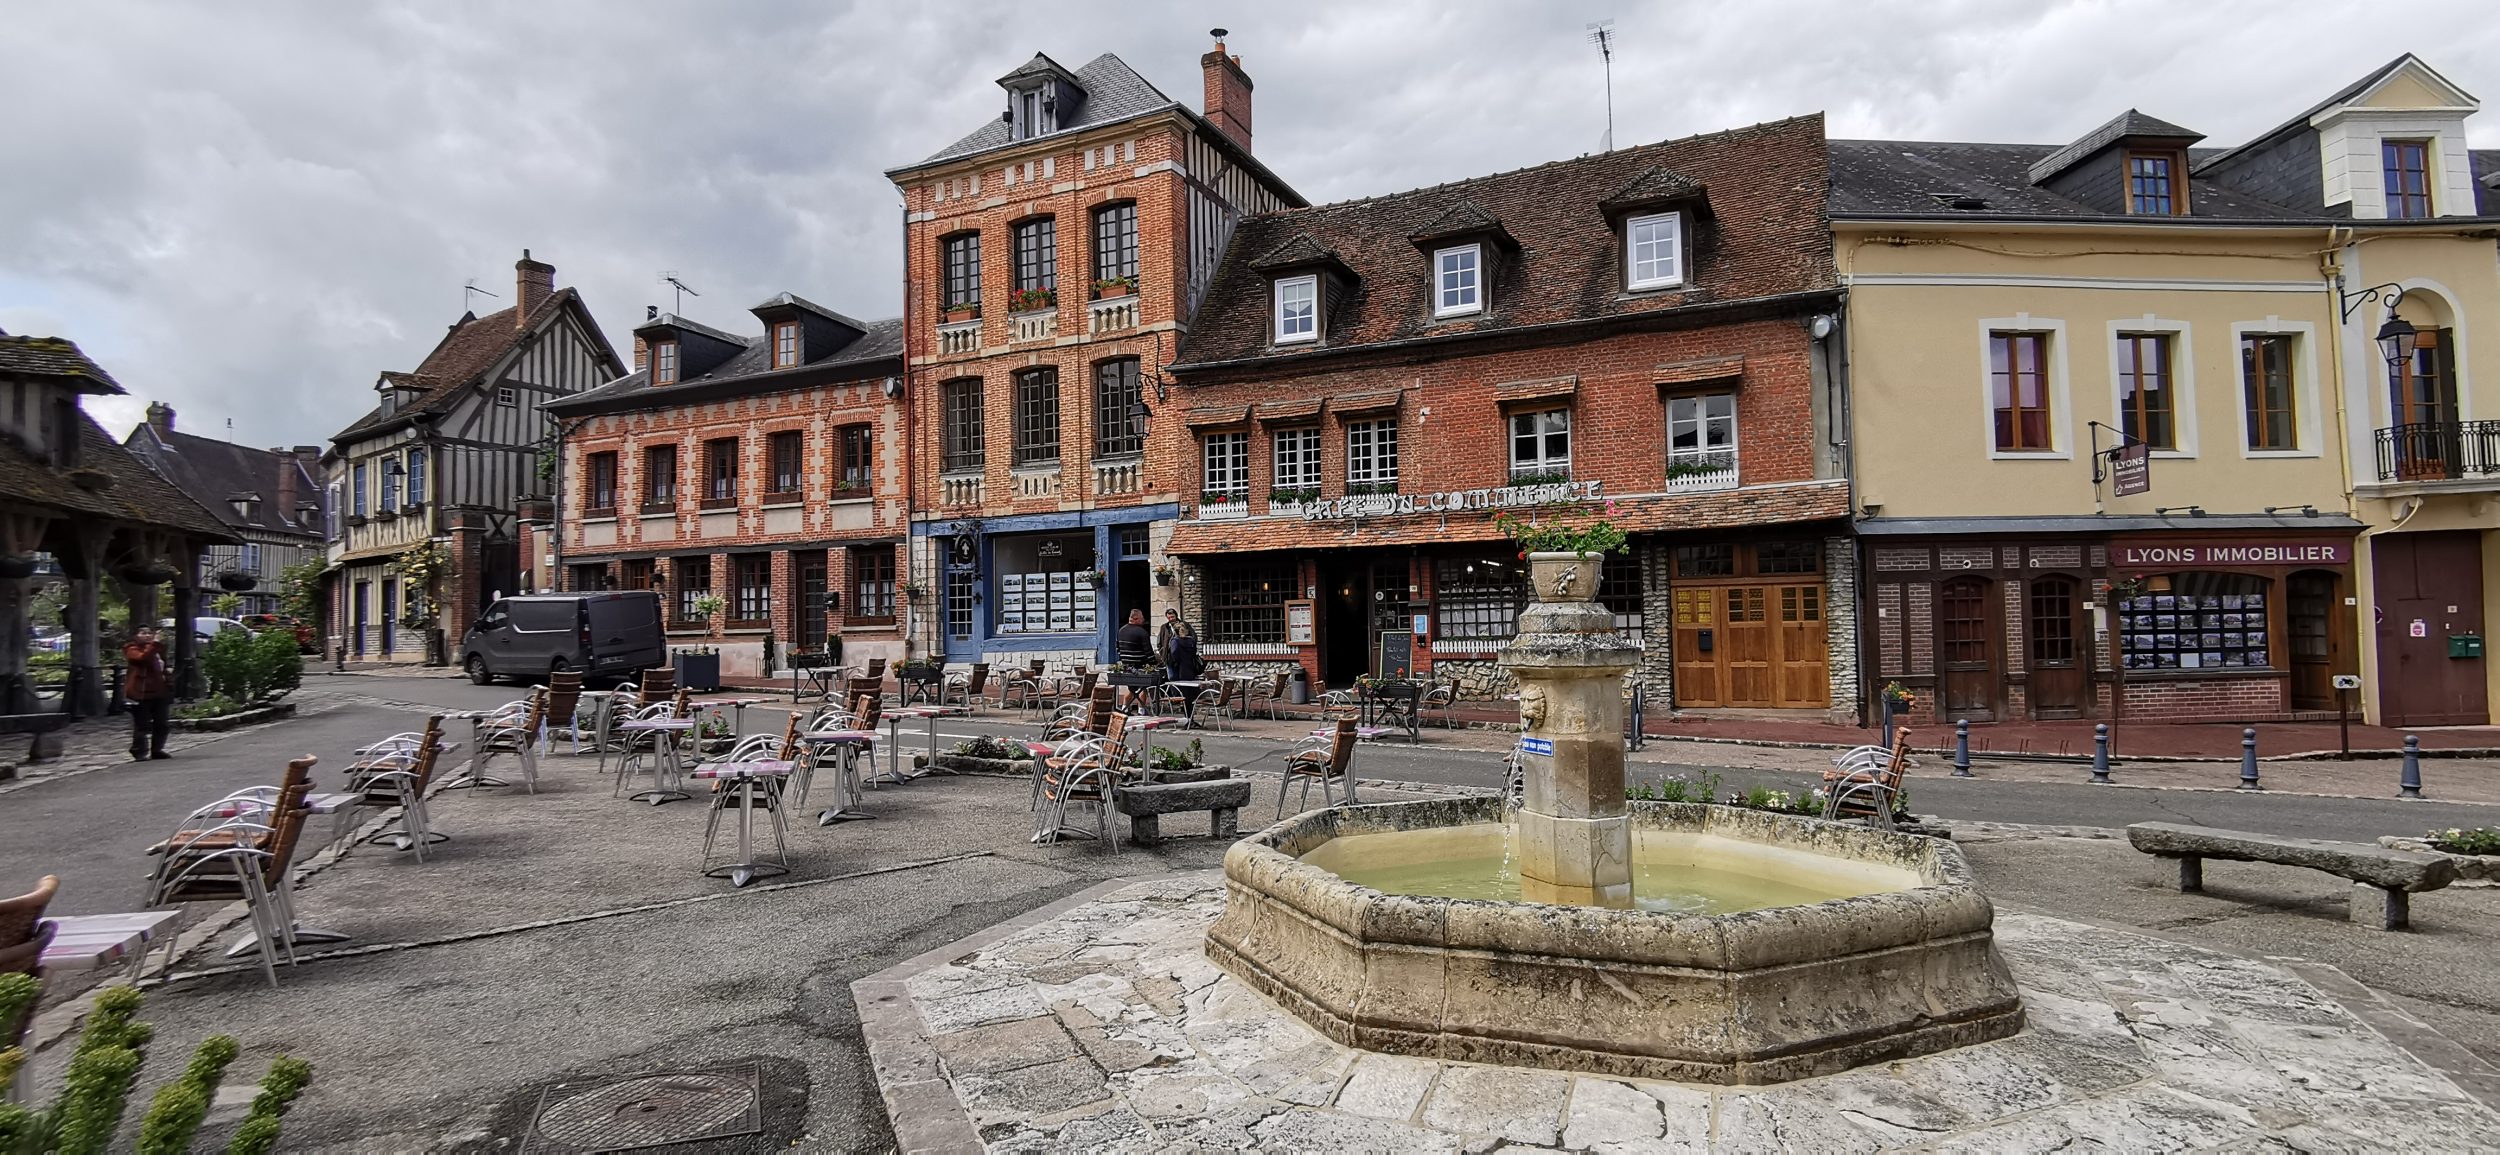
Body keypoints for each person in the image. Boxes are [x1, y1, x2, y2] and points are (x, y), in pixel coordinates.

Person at [122, 626, 173, 761]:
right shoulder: (132, 649)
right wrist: (154, 644)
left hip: (159, 690)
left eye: (149, 633)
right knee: (142, 724)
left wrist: (169, 681)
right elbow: (143, 658)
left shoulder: (157, 650)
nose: (147, 635)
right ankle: (139, 750)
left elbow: (163, 667)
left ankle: (157, 749)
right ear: (136, 636)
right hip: (141, 692)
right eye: (143, 633)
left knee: (162, 723)